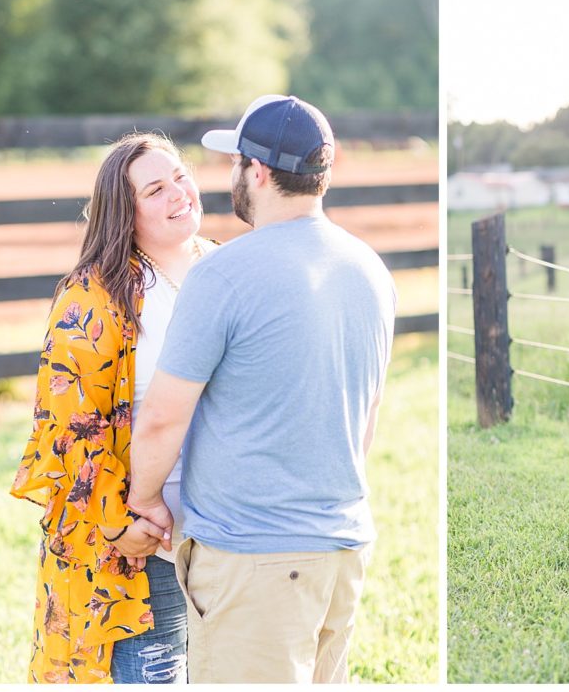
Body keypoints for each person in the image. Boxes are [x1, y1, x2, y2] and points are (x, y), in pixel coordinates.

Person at [125, 95, 396, 683]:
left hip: (253, 557)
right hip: (343, 548)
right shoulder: (370, 269)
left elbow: (163, 419)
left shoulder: (222, 274)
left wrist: (145, 499)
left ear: (261, 172)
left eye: (237, 162)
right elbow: (367, 413)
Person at [10, 132, 217, 682]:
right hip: (143, 538)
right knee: (155, 671)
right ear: (125, 213)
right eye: (155, 189)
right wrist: (117, 520)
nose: (179, 193)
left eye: (180, 177)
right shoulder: (96, 295)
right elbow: (67, 425)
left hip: (228, 530)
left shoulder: (225, 270)